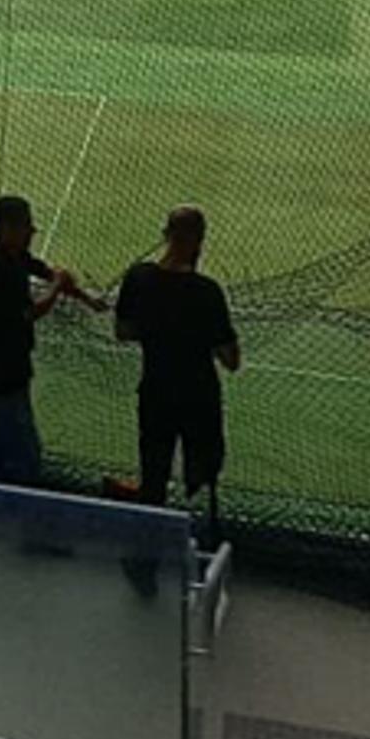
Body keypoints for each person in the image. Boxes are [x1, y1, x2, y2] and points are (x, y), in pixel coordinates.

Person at [111, 204, 240, 515]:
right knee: (202, 479)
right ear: (199, 241)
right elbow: (231, 359)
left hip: (156, 392)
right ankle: (201, 540)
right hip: (199, 399)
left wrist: (159, 331)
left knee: (154, 474)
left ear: (165, 236)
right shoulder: (207, 293)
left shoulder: (139, 278)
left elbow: (123, 331)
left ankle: (148, 543)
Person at [0, 192, 95, 487]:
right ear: (7, 229)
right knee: (24, 449)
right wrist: (58, 286)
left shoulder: (13, 255)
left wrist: (86, 298)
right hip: (3, 370)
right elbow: (31, 312)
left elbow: (46, 271)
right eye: (26, 226)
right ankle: (21, 503)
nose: (32, 232)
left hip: (1, 365)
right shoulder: (0, 269)